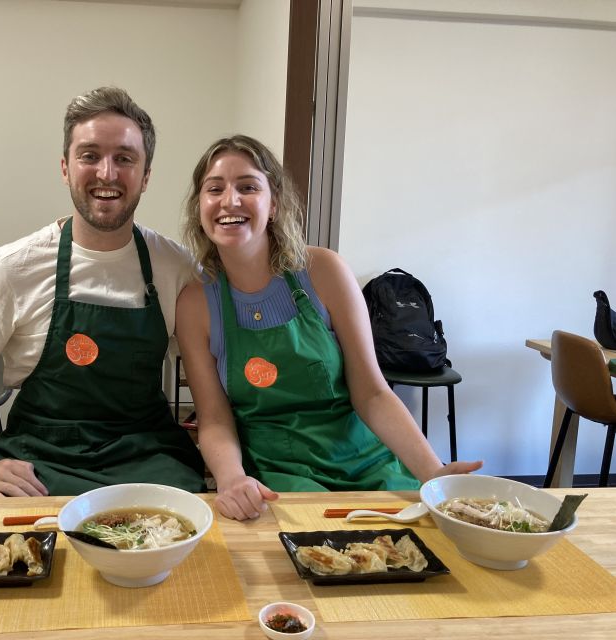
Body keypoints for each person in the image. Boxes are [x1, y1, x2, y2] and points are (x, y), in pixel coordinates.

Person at [0, 87, 206, 497]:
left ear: (146, 175)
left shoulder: (177, 267)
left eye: (125, 158)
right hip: (43, 462)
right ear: (65, 168)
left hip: (147, 457)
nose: (107, 173)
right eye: (89, 155)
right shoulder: (12, 269)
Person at [175, 135, 482, 521]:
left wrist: (433, 474)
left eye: (248, 187)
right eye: (214, 189)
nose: (230, 200)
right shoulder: (195, 303)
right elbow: (215, 418)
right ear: (200, 208)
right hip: (279, 475)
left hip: (365, 462)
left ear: (274, 205)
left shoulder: (323, 272)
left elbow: (371, 393)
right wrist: (233, 479)